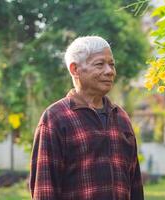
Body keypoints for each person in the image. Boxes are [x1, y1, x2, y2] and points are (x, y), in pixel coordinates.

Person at [29, 36, 144, 200]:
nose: (109, 71)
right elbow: (44, 189)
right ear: (74, 69)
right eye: (100, 64)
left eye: (111, 64)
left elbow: (135, 186)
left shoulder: (121, 118)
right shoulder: (55, 118)